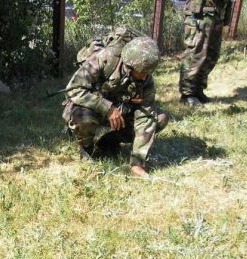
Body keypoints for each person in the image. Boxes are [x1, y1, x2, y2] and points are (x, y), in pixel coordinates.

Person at [62, 34, 169, 177]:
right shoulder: (103, 59)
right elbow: (74, 89)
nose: (145, 77)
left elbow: (146, 115)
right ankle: (87, 148)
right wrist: (107, 108)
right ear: (129, 65)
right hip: (92, 108)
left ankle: (109, 141)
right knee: (81, 116)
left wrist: (137, 162)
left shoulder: (146, 78)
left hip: (121, 111)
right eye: (142, 73)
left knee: (159, 119)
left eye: (148, 73)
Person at [179, 0, 233, 106]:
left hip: (217, 13)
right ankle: (187, 94)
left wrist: (226, 16)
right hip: (200, 13)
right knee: (196, 54)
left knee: (211, 55)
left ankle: (198, 89)